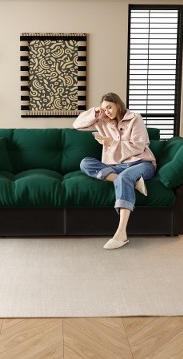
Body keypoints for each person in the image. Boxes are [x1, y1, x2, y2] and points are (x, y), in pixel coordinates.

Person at [73, 92, 156, 250]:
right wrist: (95, 112)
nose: (107, 112)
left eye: (109, 107)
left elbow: (138, 146)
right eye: (104, 109)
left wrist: (111, 143)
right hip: (117, 165)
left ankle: (121, 233)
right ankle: (131, 182)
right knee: (85, 163)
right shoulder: (102, 120)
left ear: (118, 104)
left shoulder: (135, 118)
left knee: (124, 177)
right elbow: (77, 125)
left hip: (141, 163)